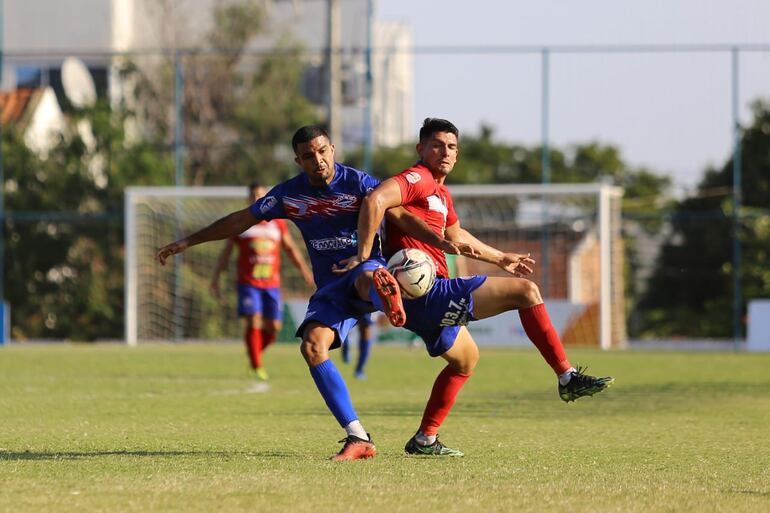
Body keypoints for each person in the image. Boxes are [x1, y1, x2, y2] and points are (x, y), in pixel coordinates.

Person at [156, 125, 461, 461]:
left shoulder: (359, 183)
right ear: (298, 160)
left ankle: (386, 295)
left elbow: (399, 213)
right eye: (308, 156)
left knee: (366, 277)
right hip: (330, 288)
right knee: (312, 347)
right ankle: (358, 437)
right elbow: (241, 219)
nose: (317, 160)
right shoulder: (289, 194)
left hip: (366, 267)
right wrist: (186, 241)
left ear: (332, 148)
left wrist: (440, 242)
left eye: (322, 151)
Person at [347, 117, 615, 457]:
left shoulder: (440, 193)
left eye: (452, 147)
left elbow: (457, 238)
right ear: (421, 149)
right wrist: (363, 257)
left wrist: (500, 257)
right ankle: (567, 377)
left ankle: (425, 440)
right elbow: (375, 201)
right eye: (437, 145)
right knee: (526, 293)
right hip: (426, 292)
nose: (445, 152)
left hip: (421, 299)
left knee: (465, 361)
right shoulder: (419, 178)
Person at [210, 181, 314, 382]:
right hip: (248, 283)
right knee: (253, 320)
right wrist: (216, 278)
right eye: (253, 195)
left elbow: (290, 248)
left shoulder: (277, 222)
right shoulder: (241, 223)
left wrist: (304, 270)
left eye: (260, 195)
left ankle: (254, 351)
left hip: (271, 284)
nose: (256, 198)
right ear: (248, 198)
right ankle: (256, 365)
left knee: (274, 328)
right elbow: (226, 253)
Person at [340, 313, 374, 380]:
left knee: (365, 329)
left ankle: (360, 369)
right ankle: (345, 346)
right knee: (344, 323)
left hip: (365, 304)